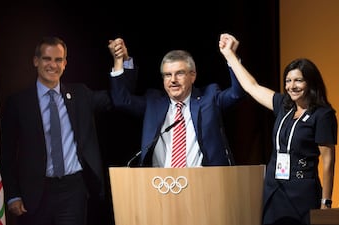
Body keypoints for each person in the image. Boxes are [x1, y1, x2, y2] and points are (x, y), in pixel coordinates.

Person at [0, 36, 124, 225]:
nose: (53, 65)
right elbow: (7, 153)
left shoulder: (81, 94)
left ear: (65, 63)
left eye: (58, 60)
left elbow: (117, 99)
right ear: (36, 61)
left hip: (73, 191)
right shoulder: (18, 103)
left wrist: (120, 62)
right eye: (47, 59)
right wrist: (12, 195)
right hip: (34, 193)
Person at [219, 33, 337, 225]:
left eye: (298, 80)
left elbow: (328, 162)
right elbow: (251, 86)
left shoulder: (323, 115)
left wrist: (326, 203)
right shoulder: (284, 105)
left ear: (310, 83)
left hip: (303, 191)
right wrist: (230, 55)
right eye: (288, 81)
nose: (292, 86)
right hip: (275, 189)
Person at [108, 38, 246, 167]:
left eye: (179, 73)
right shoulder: (154, 103)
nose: (173, 80)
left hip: (203, 183)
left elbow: (237, 93)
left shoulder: (209, 99)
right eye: (168, 75)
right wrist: (121, 61)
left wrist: (231, 57)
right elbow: (122, 101)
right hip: (159, 184)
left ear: (193, 76)